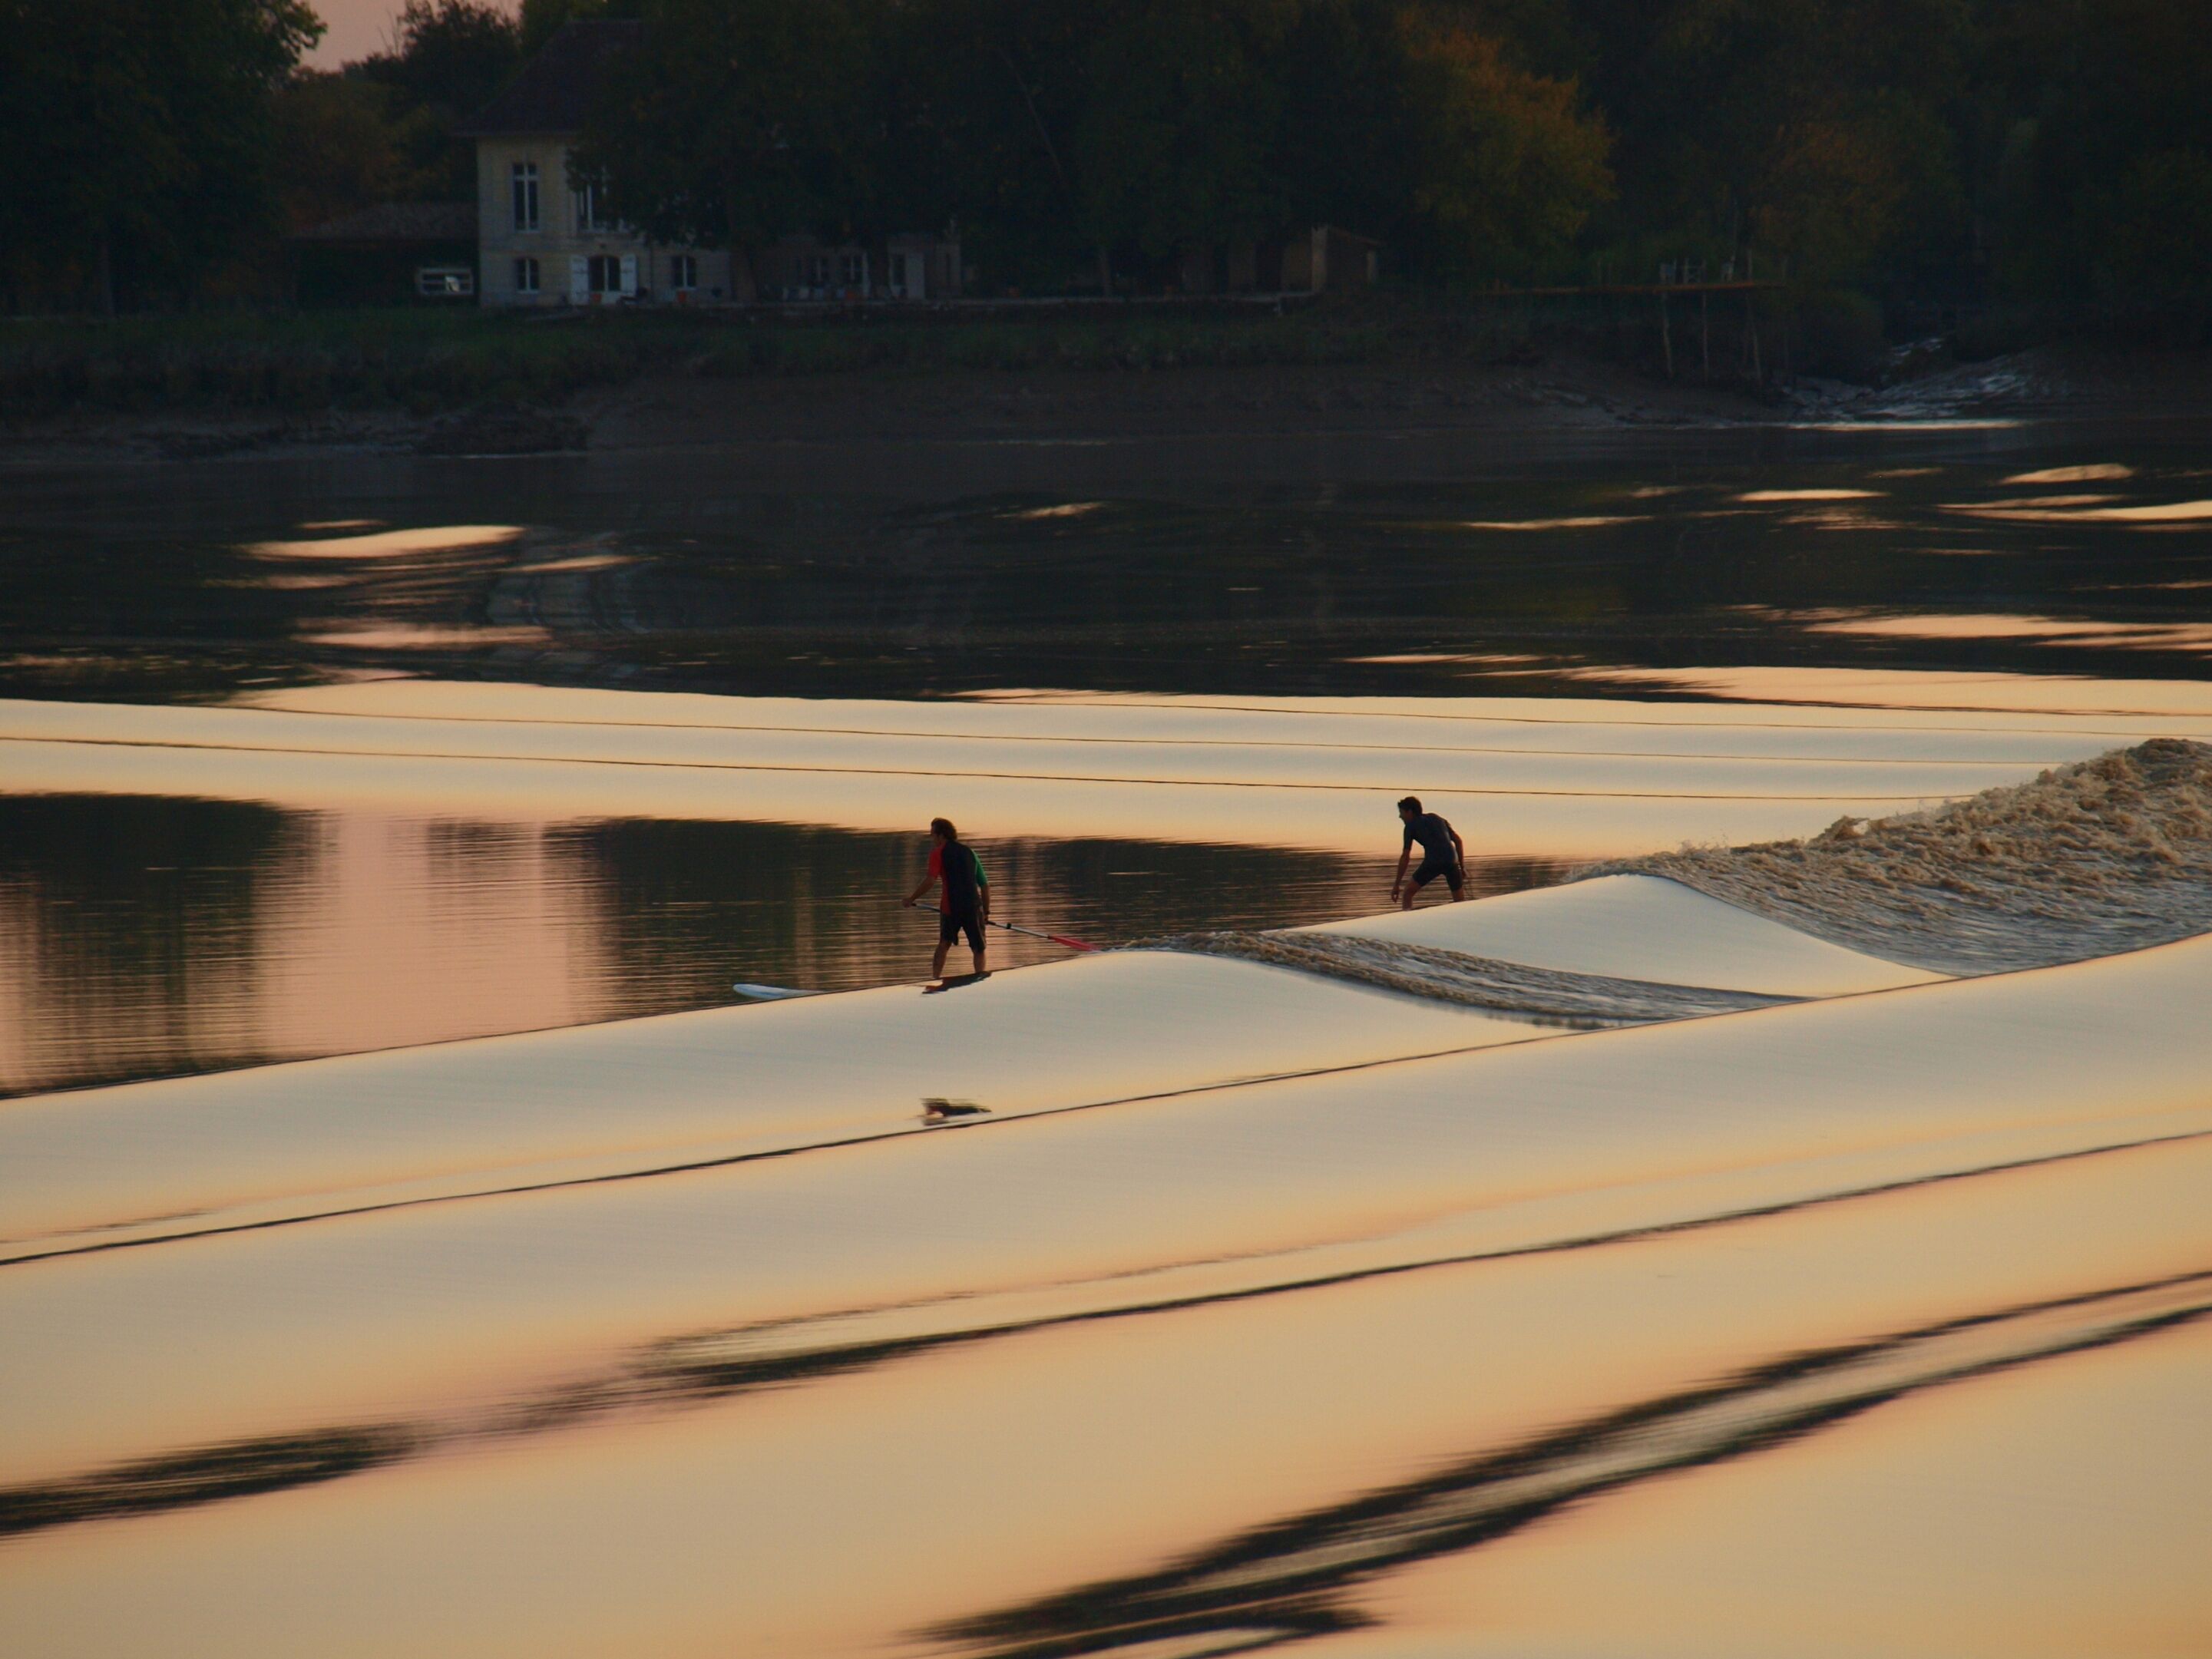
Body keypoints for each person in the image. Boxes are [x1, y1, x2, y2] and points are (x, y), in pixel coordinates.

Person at [904, 816, 990, 977]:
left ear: (941, 835)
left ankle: (936, 978)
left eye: (932, 835)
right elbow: (985, 886)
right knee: (979, 948)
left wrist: (912, 898)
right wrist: (986, 912)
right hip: (974, 907)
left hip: (951, 908)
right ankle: (980, 979)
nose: (932, 839)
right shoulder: (970, 853)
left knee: (944, 944)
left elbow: (930, 880)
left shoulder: (938, 853)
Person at [1390, 795, 1466, 908]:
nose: (1400, 816)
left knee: (1408, 893)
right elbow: (1458, 841)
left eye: (1402, 812)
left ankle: (1407, 921)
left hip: (1434, 861)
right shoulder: (1438, 818)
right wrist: (1462, 867)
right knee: (1460, 902)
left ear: (1410, 812)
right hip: (1452, 860)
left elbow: (1405, 857)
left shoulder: (1410, 826)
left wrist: (1397, 885)